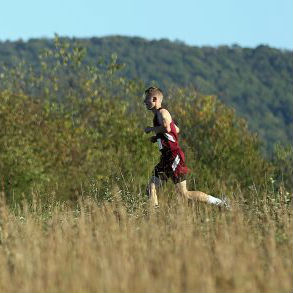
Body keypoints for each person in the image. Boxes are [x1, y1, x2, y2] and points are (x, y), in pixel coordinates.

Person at [143, 86, 228, 208]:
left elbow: (167, 128)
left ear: (155, 99)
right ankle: (153, 215)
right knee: (151, 187)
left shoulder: (162, 112)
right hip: (166, 158)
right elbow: (175, 129)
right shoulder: (159, 115)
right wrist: (157, 138)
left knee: (183, 194)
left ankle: (220, 203)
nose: (144, 102)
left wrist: (152, 129)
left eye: (147, 99)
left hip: (173, 156)